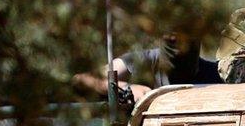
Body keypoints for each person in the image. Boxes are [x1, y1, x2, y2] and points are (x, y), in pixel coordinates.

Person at [72, 28, 221, 103]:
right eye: (173, 41)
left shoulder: (216, 74)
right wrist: (126, 90)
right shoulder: (144, 60)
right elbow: (82, 79)